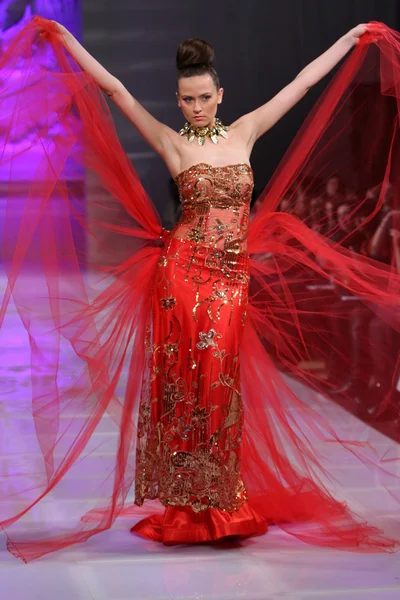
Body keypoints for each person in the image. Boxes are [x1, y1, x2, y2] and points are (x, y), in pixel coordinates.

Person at [1, 16, 400, 562]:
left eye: (205, 98)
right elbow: (115, 90)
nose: (196, 107)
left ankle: (221, 500)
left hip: (231, 280)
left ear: (220, 94)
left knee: (219, 385)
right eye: (187, 99)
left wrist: (351, 39)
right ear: (178, 98)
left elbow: (304, 83)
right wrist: (68, 41)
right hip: (182, 276)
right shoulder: (170, 142)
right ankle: (189, 507)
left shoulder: (246, 131)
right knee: (185, 390)